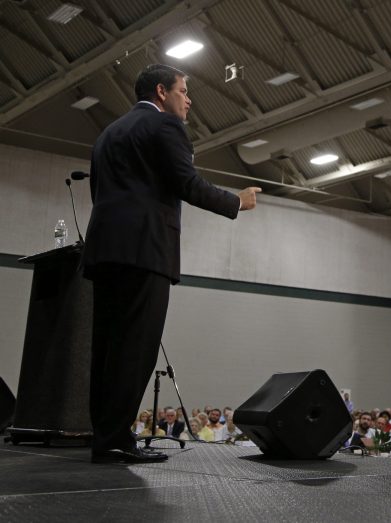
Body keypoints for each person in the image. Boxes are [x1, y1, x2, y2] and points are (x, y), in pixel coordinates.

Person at [84, 64, 260, 464]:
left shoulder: (108, 133)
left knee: (107, 348)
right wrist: (237, 201)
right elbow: (187, 182)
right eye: (184, 91)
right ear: (162, 92)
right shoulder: (164, 127)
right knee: (135, 349)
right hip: (145, 252)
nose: (189, 99)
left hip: (105, 251)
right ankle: (114, 441)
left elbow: (99, 190)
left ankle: (104, 435)